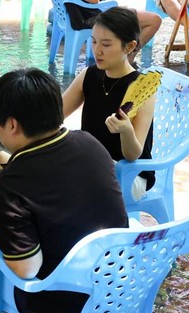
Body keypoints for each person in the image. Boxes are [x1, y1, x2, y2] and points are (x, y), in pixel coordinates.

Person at [0, 68, 129, 313]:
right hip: (114, 290)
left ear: (11, 124)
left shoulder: (10, 185)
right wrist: (14, 163)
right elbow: (62, 181)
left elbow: (26, 268)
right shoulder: (91, 144)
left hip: (56, 305)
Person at [62, 6, 156, 202]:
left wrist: (126, 131)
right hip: (91, 163)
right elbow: (54, 114)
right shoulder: (89, 75)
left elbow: (133, 155)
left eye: (106, 44)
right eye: (94, 41)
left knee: (64, 183)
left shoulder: (142, 87)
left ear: (129, 47)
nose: (97, 51)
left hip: (130, 175)